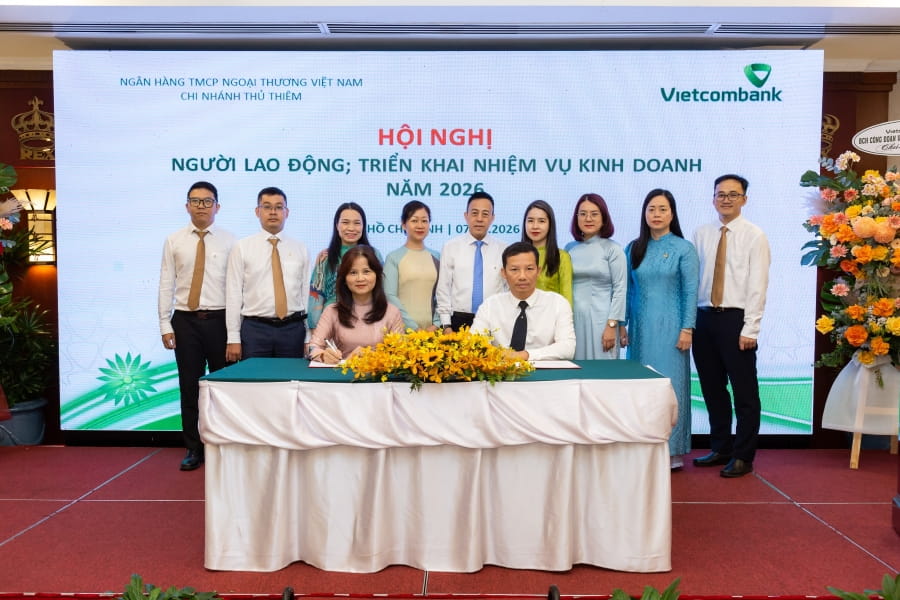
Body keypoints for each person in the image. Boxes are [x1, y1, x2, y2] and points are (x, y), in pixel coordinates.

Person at [691, 174, 770, 478]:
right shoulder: (701, 233)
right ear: (713, 199)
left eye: (733, 194)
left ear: (744, 199)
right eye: (721, 194)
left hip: (736, 320)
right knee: (712, 389)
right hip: (704, 318)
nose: (726, 199)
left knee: (744, 393)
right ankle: (721, 447)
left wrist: (751, 328)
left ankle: (743, 456)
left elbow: (758, 285)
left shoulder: (755, 235)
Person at [158, 181, 236, 471]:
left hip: (219, 321)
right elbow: (166, 283)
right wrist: (164, 323)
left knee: (222, 388)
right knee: (189, 387)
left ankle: (223, 447)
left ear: (217, 206)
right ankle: (193, 447)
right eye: (196, 200)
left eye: (207, 201)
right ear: (187, 205)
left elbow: (236, 288)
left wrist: (234, 330)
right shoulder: (174, 240)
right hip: (185, 321)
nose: (201, 206)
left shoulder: (231, 242)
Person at [624, 189, 699, 471]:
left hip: (672, 332)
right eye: (651, 209)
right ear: (644, 213)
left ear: (672, 214)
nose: (656, 214)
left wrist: (687, 328)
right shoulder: (633, 248)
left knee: (670, 388)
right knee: (639, 388)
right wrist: (623, 324)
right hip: (640, 332)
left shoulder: (684, 248)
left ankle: (672, 451)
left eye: (662, 209)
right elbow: (628, 290)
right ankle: (641, 447)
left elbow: (690, 291)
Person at [225, 186, 310, 361]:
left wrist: (309, 335)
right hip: (255, 330)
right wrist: (233, 337)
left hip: (292, 330)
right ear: (257, 211)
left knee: (290, 378)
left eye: (279, 207)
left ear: (287, 212)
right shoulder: (242, 247)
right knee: (255, 378)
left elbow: (306, 293)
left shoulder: (300, 248)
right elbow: (233, 294)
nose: (273, 212)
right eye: (267, 207)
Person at [471, 242, 575, 360]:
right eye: (514, 269)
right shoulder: (490, 305)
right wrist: (498, 355)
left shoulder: (558, 303)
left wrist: (524, 355)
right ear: (504, 273)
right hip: (501, 368)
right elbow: (474, 344)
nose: (522, 276)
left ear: (538, 271)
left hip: (543, 369)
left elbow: (567, 348)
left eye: (529, 269)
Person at [308, 245, 404, 363]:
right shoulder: (332, 310)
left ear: (377, 275)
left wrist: (372, 357)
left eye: (366, 271)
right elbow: (313, 347)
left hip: (378, 373)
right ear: (344, 278)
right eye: (353, 273)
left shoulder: (392, 312)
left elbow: (400, 354)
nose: (360, 278)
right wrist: (323, 356)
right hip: (343, 373)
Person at [565, 193, 627, 359]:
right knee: (576, 368)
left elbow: (620, 289)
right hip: (574, 322)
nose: (588, 219)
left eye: (594, 214)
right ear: (576, 218)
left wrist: (612, 325)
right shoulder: (569, 248)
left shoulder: (613, 249)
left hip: (603, 321)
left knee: (603, 370)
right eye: (583, 214)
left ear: (604, 218)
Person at [436, 191, 508, 332]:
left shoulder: (503, 249)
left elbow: (508, 288)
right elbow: (444, 288)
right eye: (474, 213)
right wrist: (446, 325)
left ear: (492, 218)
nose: (479, 219)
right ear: (466, 216)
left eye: (485, 214)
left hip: (494, 319)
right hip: (458, 320)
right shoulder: (451, 247)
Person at [308, 202, 381, 331]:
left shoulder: (374, 254)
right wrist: (315, 329)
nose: (351, 228)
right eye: (345, 222)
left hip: (369, 320)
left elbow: (381, 290)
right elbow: (316, 295)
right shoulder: (325, 257)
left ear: (363, 226)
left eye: (357, 223)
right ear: (337, 225)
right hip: (332, 323)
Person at [383, 200, 441, 331]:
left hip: (432, 332)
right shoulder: (393, 257)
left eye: (424, 221)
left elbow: (442, 294)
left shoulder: (437, 257)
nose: (420, 225)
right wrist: (414, 328)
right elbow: (389, 296)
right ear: (404, 224)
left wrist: (436, 324)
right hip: (401, 330)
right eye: (414, 220)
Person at [520, 199, 573, 305]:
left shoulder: (561, 257)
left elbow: (567, 298)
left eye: (541, 221)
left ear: (550, 224)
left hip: (552, 314)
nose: (535, 226)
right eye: (530, 220)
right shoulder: (516, 256)